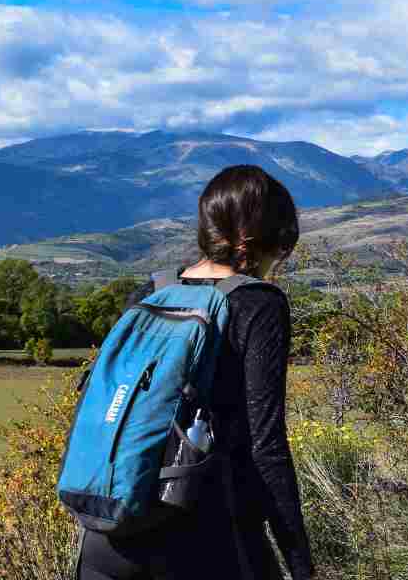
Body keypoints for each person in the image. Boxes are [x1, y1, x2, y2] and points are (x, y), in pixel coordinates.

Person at [78, 165, 314, 580]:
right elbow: (267, 447)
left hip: (109, 532)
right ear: (259, 239)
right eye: (283, 243)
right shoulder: (258, 304)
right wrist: (300, 562)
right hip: (207, 537)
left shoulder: (153, 293)